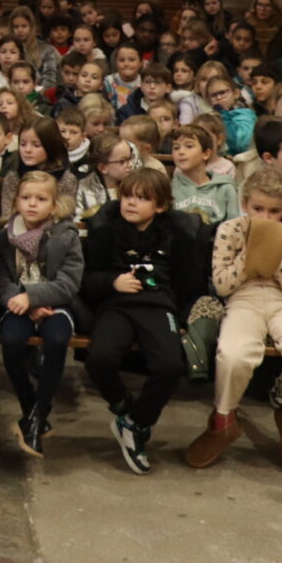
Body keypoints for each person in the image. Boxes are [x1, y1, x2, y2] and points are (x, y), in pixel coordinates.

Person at [185, 167, 282, 472]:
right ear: (245, 204)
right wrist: (252, 254)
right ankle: (223, 421)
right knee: (234, 355)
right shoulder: (230, 230)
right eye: (258, 209)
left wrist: (275, 255)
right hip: (242, 301)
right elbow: (223, 286)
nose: (266, 217)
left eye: (274, 211)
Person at [81, 168, 199, 474]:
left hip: (159, 306)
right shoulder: (105, 230)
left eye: (142, 198)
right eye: (127, 196)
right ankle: (123, 407)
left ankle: (136, 423)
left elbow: (189, 282)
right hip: (116, 305)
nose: (131, 203)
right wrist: (112, 282)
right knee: (100, 358)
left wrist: (182, 317)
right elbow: (86, 278)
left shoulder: (177, 233)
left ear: (159, 206)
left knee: (170, 366)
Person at [0, 169, 82, 458]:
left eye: (41, 199)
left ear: (54, 205)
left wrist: (34, 297)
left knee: (57, 339)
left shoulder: (66, 236)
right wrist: (23, 302)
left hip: (56, 304)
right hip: (17, 306)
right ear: (16, 202)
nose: (32, 204)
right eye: (26, 198)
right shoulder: (4, 236)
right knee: (11, 340)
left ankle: (40, 412)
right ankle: (29, 409)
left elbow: (69, 282)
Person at [170, 125, 240, 226]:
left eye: (189, 146)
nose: (181, 152)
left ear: (206, 154)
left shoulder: (226, 188)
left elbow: (234, 226)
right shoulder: (169, 189)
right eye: (176, 148)